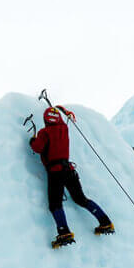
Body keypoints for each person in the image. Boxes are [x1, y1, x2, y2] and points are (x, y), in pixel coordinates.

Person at [29, 105, 114, 247]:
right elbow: (61, 120)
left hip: (55, 172)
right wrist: (62, 110)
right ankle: (105, 222)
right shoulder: (64, 129)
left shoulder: (44, 132)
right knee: (81, 199)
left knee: (55, 204)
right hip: (69, 170)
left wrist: (32, 140)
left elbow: (38, 148)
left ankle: (64, 232)